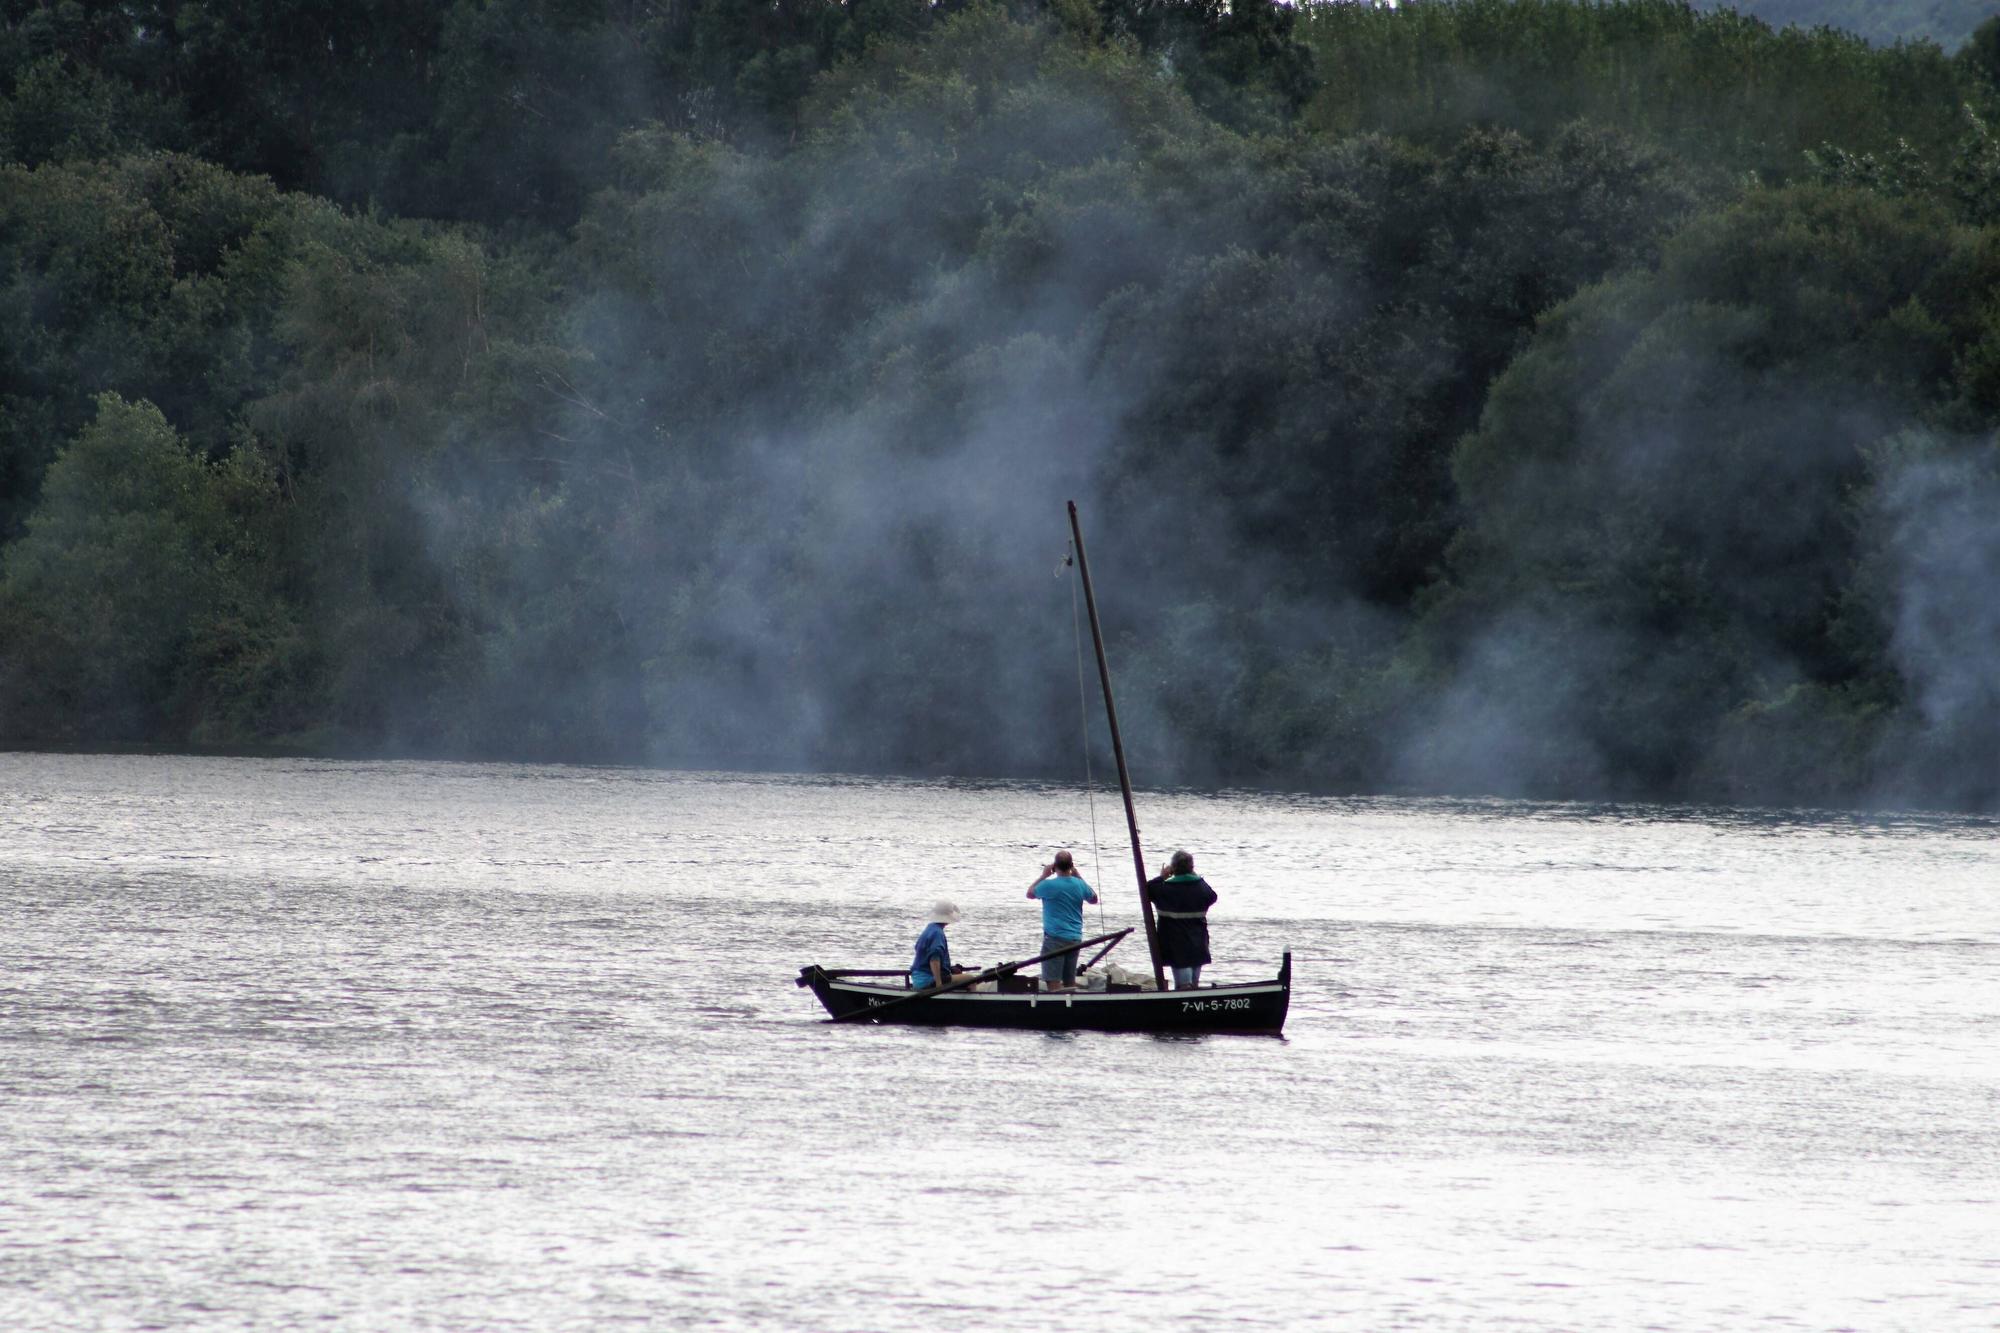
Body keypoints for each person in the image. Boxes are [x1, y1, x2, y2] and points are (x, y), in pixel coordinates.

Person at [1026, 850, 1098, 991]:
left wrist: (1043, 875)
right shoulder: (1079, 884)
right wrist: (1078, 876)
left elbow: (1029, 893)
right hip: (1075, 938)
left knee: (1053, 982)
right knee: (1069, 981)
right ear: (1071, 866)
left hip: (1054, 938)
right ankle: (1071, 1006)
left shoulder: (1048, 885)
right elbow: (1094, 898)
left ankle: (1056, 1007)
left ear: (1054, 867)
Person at [1146, 849, 1217, 989]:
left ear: (1173, 869)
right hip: (1198, 944)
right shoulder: (1201, 889)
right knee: (1194, 985)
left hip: (1176, 946)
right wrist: (1194, 875)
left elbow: (1147, 890)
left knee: (1184, 986)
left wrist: (1162, 876)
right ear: (1191, 868)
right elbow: (1212, 896)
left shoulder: (1164, 890)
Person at [909, 900, 968, 991]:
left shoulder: (930, 928)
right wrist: (939, 983)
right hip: (928, 980)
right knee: (970, 980)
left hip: (918, 978)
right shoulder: (938, 933)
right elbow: (934, 960)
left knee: (957, 977)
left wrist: (950, 969)